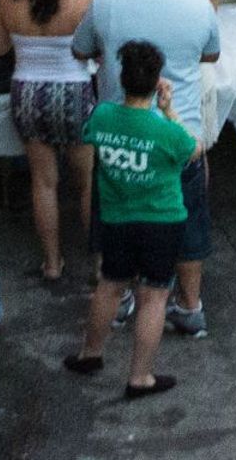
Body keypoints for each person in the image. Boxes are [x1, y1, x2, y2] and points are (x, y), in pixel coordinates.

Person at [79, 0, 226, 333]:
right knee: (189, 222)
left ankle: (119, 297)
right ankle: (190, 304)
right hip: (177, 139)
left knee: (113, 215)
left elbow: (80, 48)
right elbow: (210, 56)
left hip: (119, 134)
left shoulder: (106, 1)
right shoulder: (197, 7)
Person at [77, 38, 200, 401]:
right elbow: (194, 149)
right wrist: (169, 109)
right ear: (157, 80)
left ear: (122, 76)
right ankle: (140, 375)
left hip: (116, 218)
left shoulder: (102, 116)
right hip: (162, 221)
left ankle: (91, 353)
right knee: (154, 297)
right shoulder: (166, 131)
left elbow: (88, 136)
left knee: (109, 286)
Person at [0, 0, 97, 283]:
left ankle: (52, 263)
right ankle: (99, 264)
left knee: (44, 182)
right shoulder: (83, 1)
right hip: (74, 94)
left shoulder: (7, 3)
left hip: (28, 96)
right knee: (87, 181)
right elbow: (95, 49)